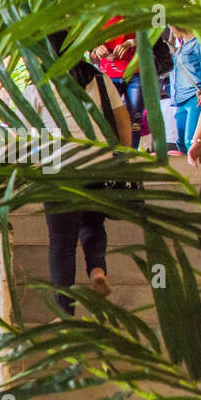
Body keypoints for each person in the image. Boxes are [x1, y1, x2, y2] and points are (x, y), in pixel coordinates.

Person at [35, 30, 133, 314]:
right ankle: (97, 270)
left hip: (60, 169)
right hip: (98, 165)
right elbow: (123, 119)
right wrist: (121, 158)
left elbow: (26, 132)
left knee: (62, 246)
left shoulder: (39, 85)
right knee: (92, 224)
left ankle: (66, 314)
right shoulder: (100, 79)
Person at [92, 17, 143, 147]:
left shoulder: (138, 10)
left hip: (135, 71)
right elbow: (88, 46)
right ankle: (112, 153)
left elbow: (154, 35)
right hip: (109, 74)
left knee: (135, 119)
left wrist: (131, 42)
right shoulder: (98, 14)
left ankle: (130, 155)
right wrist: (96, 47)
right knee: (107, 116)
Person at [170, 26, 201, 155]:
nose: (171, 30)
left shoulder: (200, 42)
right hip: (180, 100)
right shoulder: (181, 47)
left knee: (192, 141)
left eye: (171, 26)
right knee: (181, 142)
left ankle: (198, 174)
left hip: (195, 97)